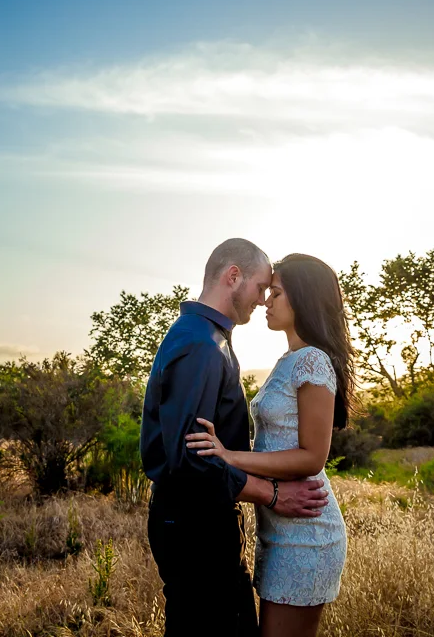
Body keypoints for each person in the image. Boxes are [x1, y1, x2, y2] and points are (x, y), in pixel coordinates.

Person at [141, 239, 330, 637]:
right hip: (193, 524)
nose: (263, 300)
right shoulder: (200, 345)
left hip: (202, 520)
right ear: (233, 277)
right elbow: (190, 458)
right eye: (262, 288)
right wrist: (272, 494)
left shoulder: (210, 338)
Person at [187, 253, 354, 637]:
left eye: (275, 292)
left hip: (306, 536)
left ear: (304, 299)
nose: (265, 300)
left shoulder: (312, 360)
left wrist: (228, 456)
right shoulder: (289, 359)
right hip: (279, 531)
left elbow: (313, 457)